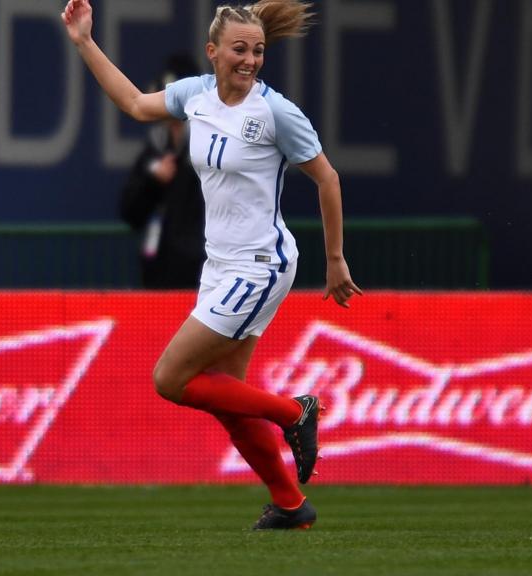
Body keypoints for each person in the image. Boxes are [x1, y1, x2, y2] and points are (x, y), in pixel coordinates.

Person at [62, 0, 363, 530]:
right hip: (220, 268)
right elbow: (134, 103)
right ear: (213, 52)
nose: (250, 61)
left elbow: (328, 179)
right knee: (227, 400)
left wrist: (335, 259)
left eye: (259, 51)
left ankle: (296, 413)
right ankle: (292, 506)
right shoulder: (195, 95)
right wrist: (86, 41)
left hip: (260, 266)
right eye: (240, 50)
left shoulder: (275, 112)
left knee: (170, 378)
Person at [119, 54, 206, 289]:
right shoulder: (156, 147)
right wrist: (153, 182)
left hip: (203, 275)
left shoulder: (209, 144)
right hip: (159, 275)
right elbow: (130, 212)